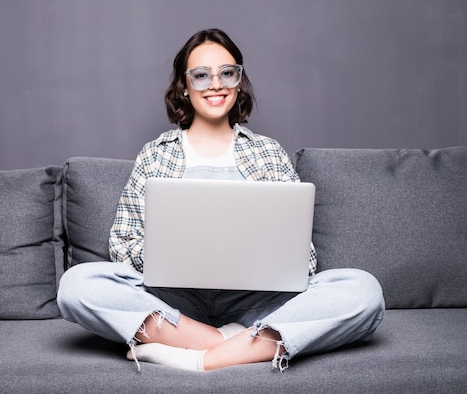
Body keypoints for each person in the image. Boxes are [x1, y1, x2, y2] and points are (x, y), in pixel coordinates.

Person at [57, 28, 385, 372]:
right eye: (201, 76)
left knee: (363, 291)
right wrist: (174, 254)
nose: (215, 84)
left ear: (239, 80)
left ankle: (201, 357)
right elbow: (122, 244)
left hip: (258, 302)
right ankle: (232, 342)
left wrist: (262, 259)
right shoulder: (156, 154)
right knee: (77, 285)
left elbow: (305, 258)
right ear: (185, 86)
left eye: (227, 73)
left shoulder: (268, 152)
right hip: (174, 303)